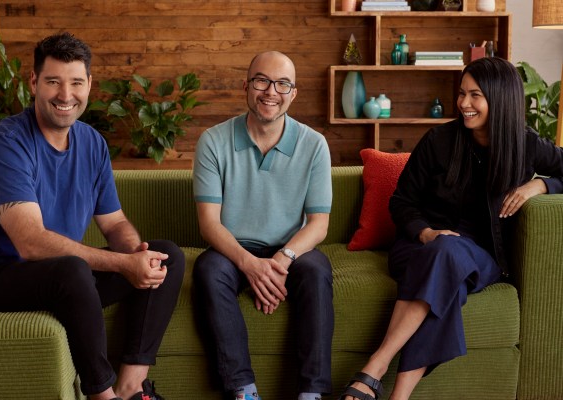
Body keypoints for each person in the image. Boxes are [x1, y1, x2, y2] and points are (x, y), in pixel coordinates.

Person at [0, 32, 185, 400]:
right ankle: (102, 396)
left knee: (167, 257)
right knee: (72, 269)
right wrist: (122, 264)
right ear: (34, 82)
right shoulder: (6, 144)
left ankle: (132, 388)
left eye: (76, 83)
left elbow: (114, 223)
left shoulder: (91, 142)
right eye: (53, 81)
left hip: (59, 279)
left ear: (89, 84)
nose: (66, 95)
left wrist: (136, 254)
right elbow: (31, 243)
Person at [338, 57, 563, 400]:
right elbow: (401, 202)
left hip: (481, 257)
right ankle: (397, 395)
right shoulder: (438, 140)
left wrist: (542, 185)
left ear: (500, 98)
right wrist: (426, 233)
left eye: (475, 95)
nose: (463, 103)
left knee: (448, 254)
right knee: (447, 275)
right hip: (419, 246)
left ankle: (375, 368)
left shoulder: (525, 144)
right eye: (461, 93)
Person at [192, 51, 334, 400]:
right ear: (246, 85)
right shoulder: (213, 141)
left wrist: (281, 260)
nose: (271, 92)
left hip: (291, 249)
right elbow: (209, 225)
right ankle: (243, 390)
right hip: (232, 249)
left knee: (317, 270)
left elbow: (319, 225)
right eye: (261, 81)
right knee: (208, 269)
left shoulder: (314, 144)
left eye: (282, 84)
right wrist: (250, 265)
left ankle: (311, 393)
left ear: (293, 93)